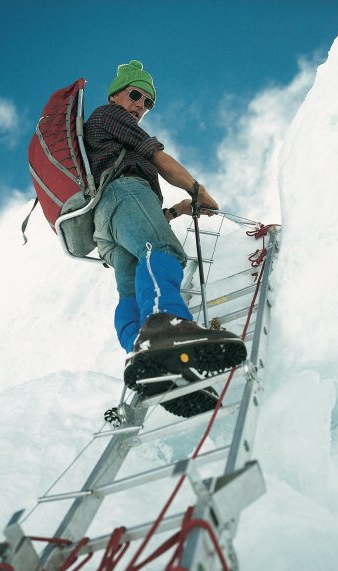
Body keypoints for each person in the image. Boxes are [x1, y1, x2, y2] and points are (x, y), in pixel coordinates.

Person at [84, 60, 246, 416]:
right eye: (136, 95)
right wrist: (197, 188)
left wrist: (177, 211)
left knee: (131, 290)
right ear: (115, 94)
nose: (140, 106)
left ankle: (148, 354)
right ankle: (166, 329)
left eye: (148, 103)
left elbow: (136, 218)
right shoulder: (110, 116)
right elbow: (159, 160)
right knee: (163, 252)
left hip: (106, 223)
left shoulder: (102, 133)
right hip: (126, 194)